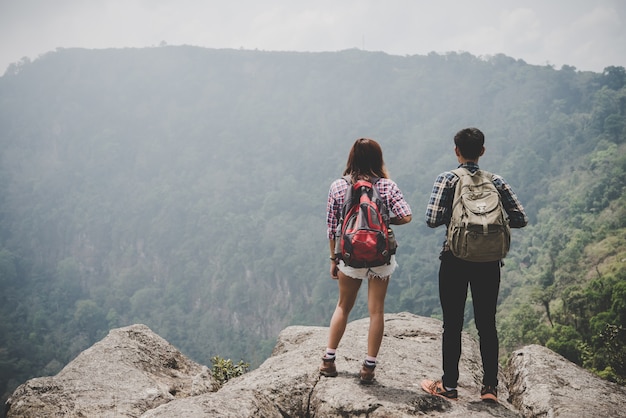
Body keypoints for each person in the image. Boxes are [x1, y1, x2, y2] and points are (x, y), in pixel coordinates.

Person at [421, 128, 528, 402]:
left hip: (454, 258)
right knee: (487, 324)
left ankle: (449, 386)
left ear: (456, 151)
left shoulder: (446, 179)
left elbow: (432, 219)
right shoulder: (497, 181)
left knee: (453, 323)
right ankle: (490, 388)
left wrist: (457, 220)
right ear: (482, 150)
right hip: (489, 261)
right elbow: (520, 218)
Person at [320, 137, 412, 384]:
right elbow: (406, 216)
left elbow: (331, 228)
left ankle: (329, 360)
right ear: (377, 159)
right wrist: (383, 221)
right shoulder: (387, 186)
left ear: (351, 158)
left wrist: (333, 259)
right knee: (377, 311)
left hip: (349, 255)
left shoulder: (338, 186)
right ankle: (368, 367)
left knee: (343, 306)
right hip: (380, 255)